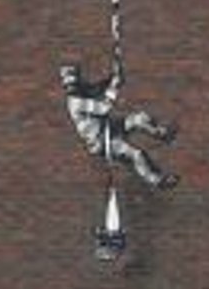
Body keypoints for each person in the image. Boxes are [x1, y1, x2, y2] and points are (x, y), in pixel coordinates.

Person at [59, 58, 178, 190]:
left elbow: (99, 87)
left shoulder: (82, 91)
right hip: (101, 141)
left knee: (140, 119)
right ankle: (157, 181)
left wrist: (115, 76)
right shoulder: (76, 102)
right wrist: (114, 87)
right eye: (70, 84)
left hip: (109, 127)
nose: (72, 86)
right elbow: (104, 108)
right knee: (136, 154)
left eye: (74, 82)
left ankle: (161, 134)